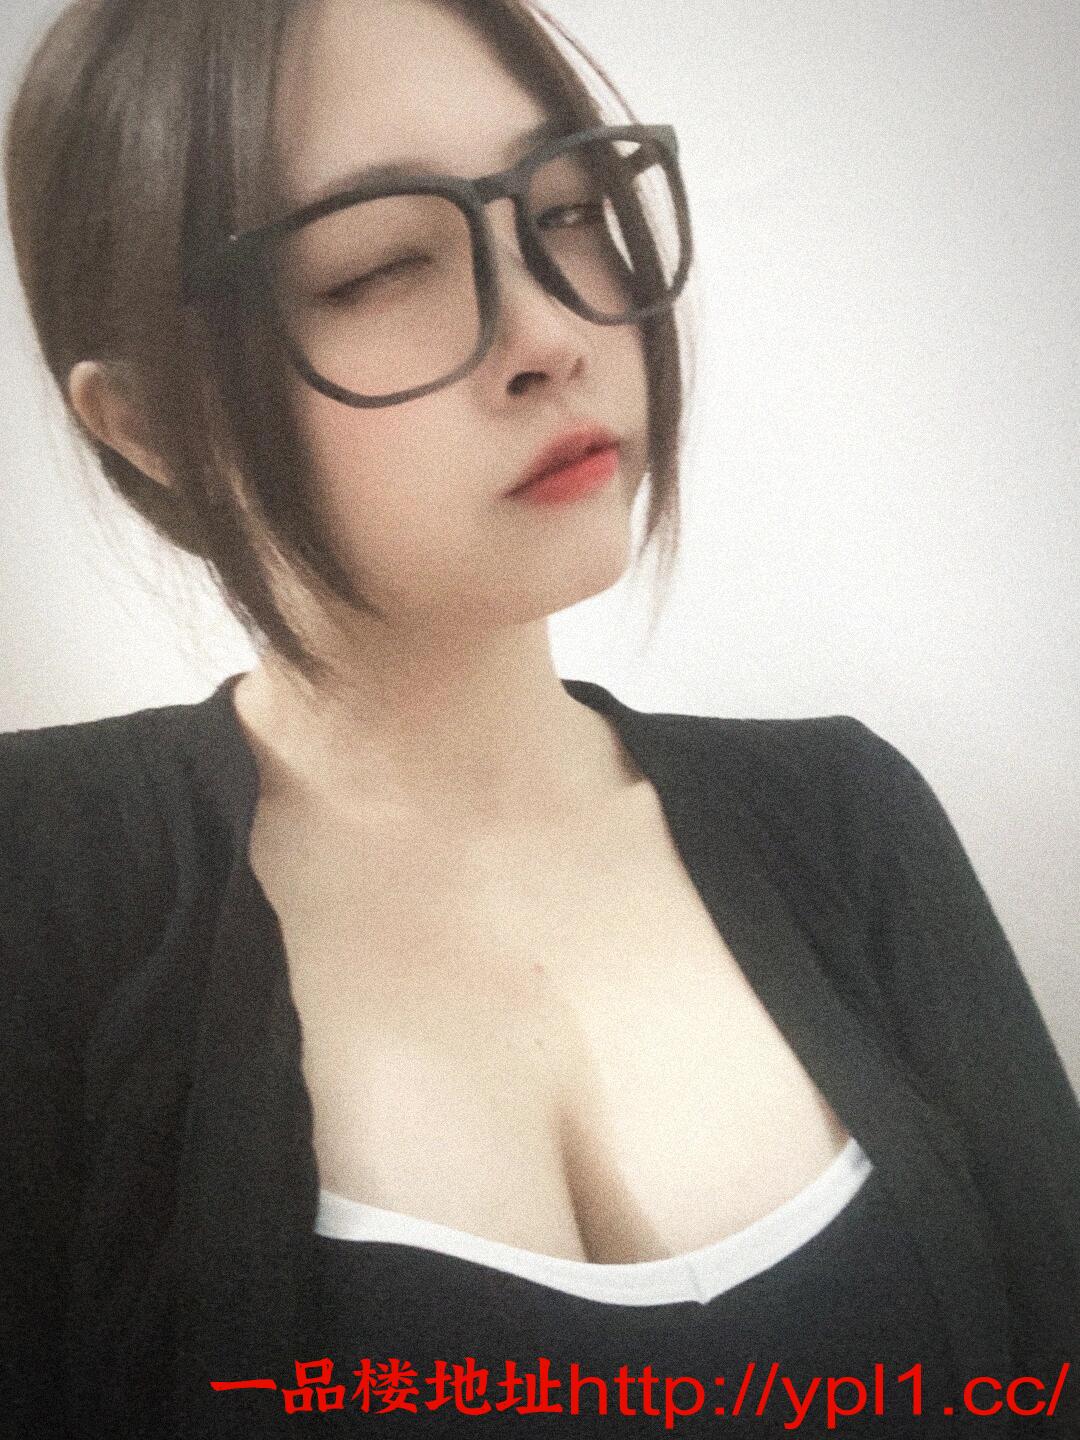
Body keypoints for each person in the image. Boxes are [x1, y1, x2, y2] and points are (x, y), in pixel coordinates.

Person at [2, 1, 1077, 1437]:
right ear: (151, 423)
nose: (557, 333)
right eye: (378, 269)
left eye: (567, 210)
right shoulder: (44, 879)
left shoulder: (847, 818)